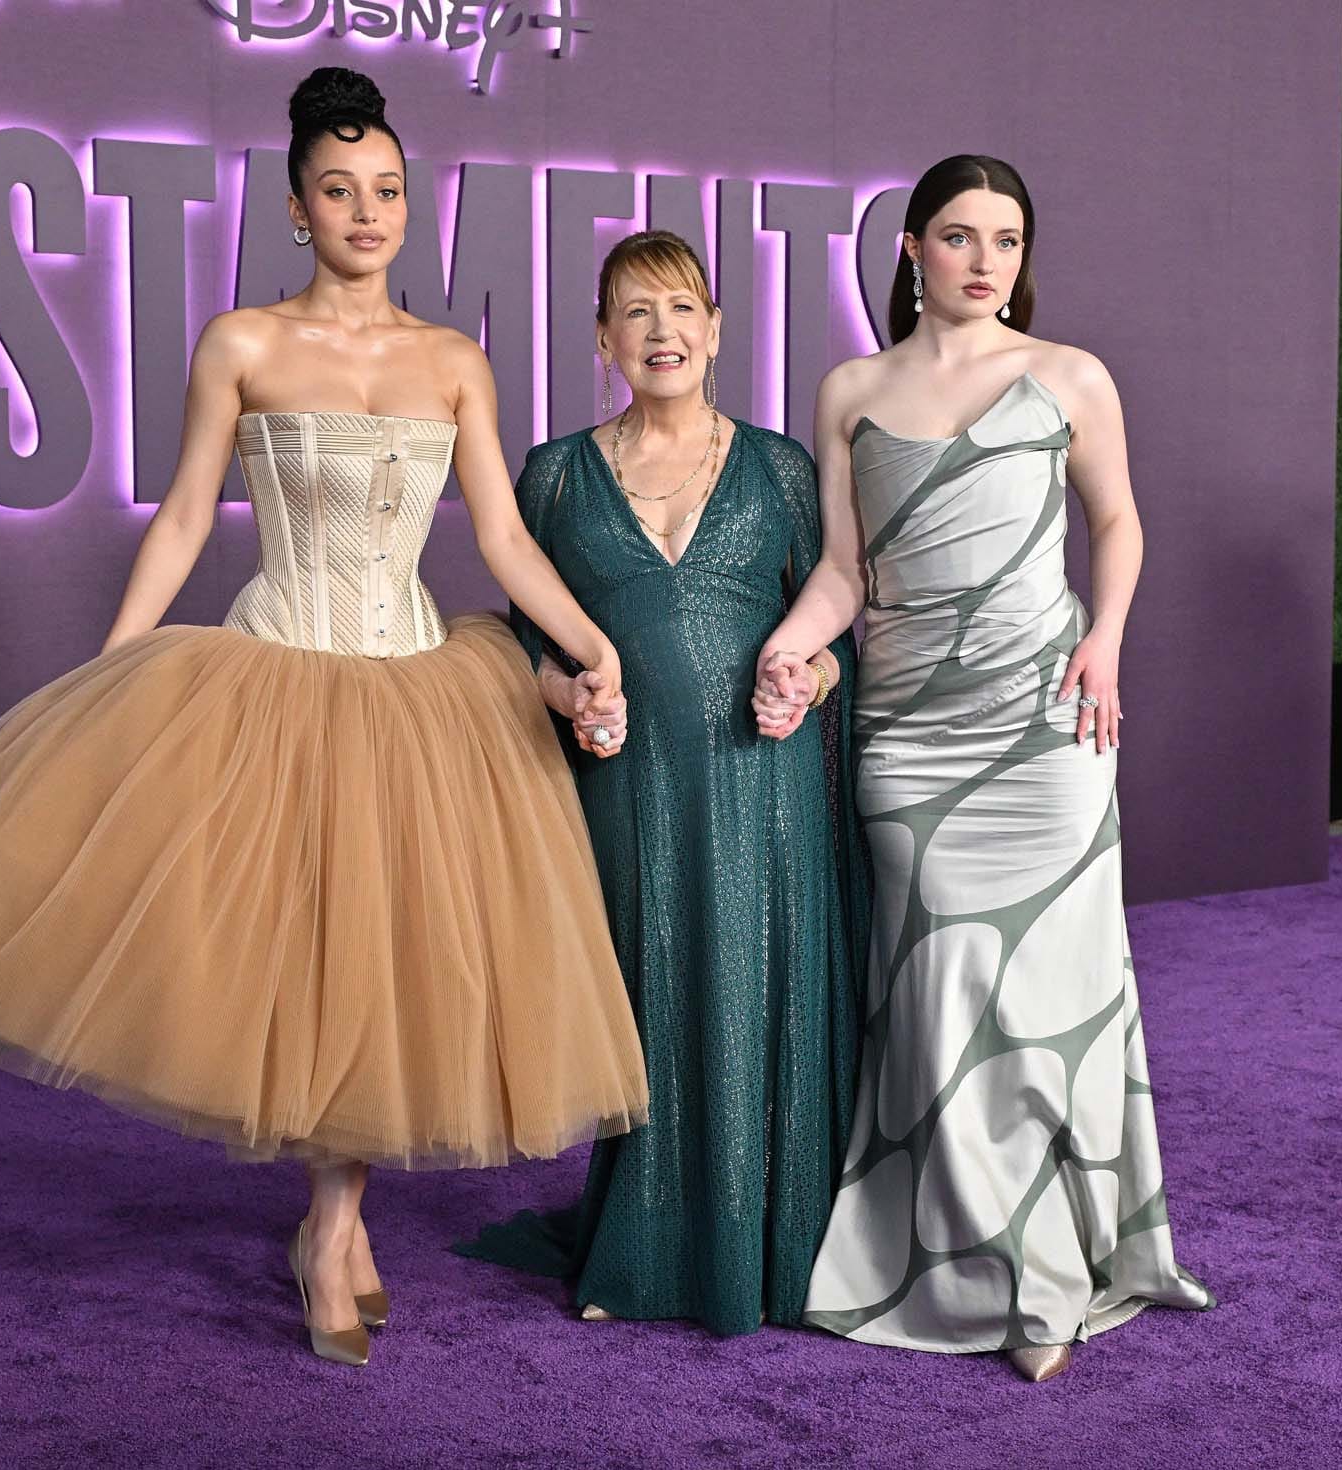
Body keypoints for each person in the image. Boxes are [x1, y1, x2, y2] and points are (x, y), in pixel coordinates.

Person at [0, 67, 649, 1370]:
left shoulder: (453, 360)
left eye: (386, 189)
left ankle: (336, 1221)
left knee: (387, 959)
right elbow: (181, 516)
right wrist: (112, 676)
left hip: (418, 687)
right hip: (279, 675)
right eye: (340, 190)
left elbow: (499, 535)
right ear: (295, 208)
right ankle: (332, 1228)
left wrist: (590, 641)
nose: (367, 212)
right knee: (315, 959)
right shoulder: (243, 344)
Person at [755, 156, 1214, 1381]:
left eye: (1005, 240)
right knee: (942, 1000)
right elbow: (844, 572)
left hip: (1047, 723)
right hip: (910, 736)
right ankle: (977, 1265)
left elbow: (1115, 521)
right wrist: (788, 650)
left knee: (1043, 999)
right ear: (910, 248)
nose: (983, 261)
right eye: (958, 236)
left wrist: (1105, 641)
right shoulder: (850, 390)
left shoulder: (1069, 376)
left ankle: (1044, 1276)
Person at [455, 231, 868, 1337]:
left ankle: (776, 1247)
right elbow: (521, 646)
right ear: (603, 340)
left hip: (763, 782)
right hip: (627, 782)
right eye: (636, 312)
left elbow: (837, 627)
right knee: (651, 999)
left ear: (717, 330)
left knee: (758, 995)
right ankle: (640, 1250)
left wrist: (809, 679)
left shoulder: (781, 468)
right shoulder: (553, 475)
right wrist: (570, 698)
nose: (662, 331)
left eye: (682, 308)